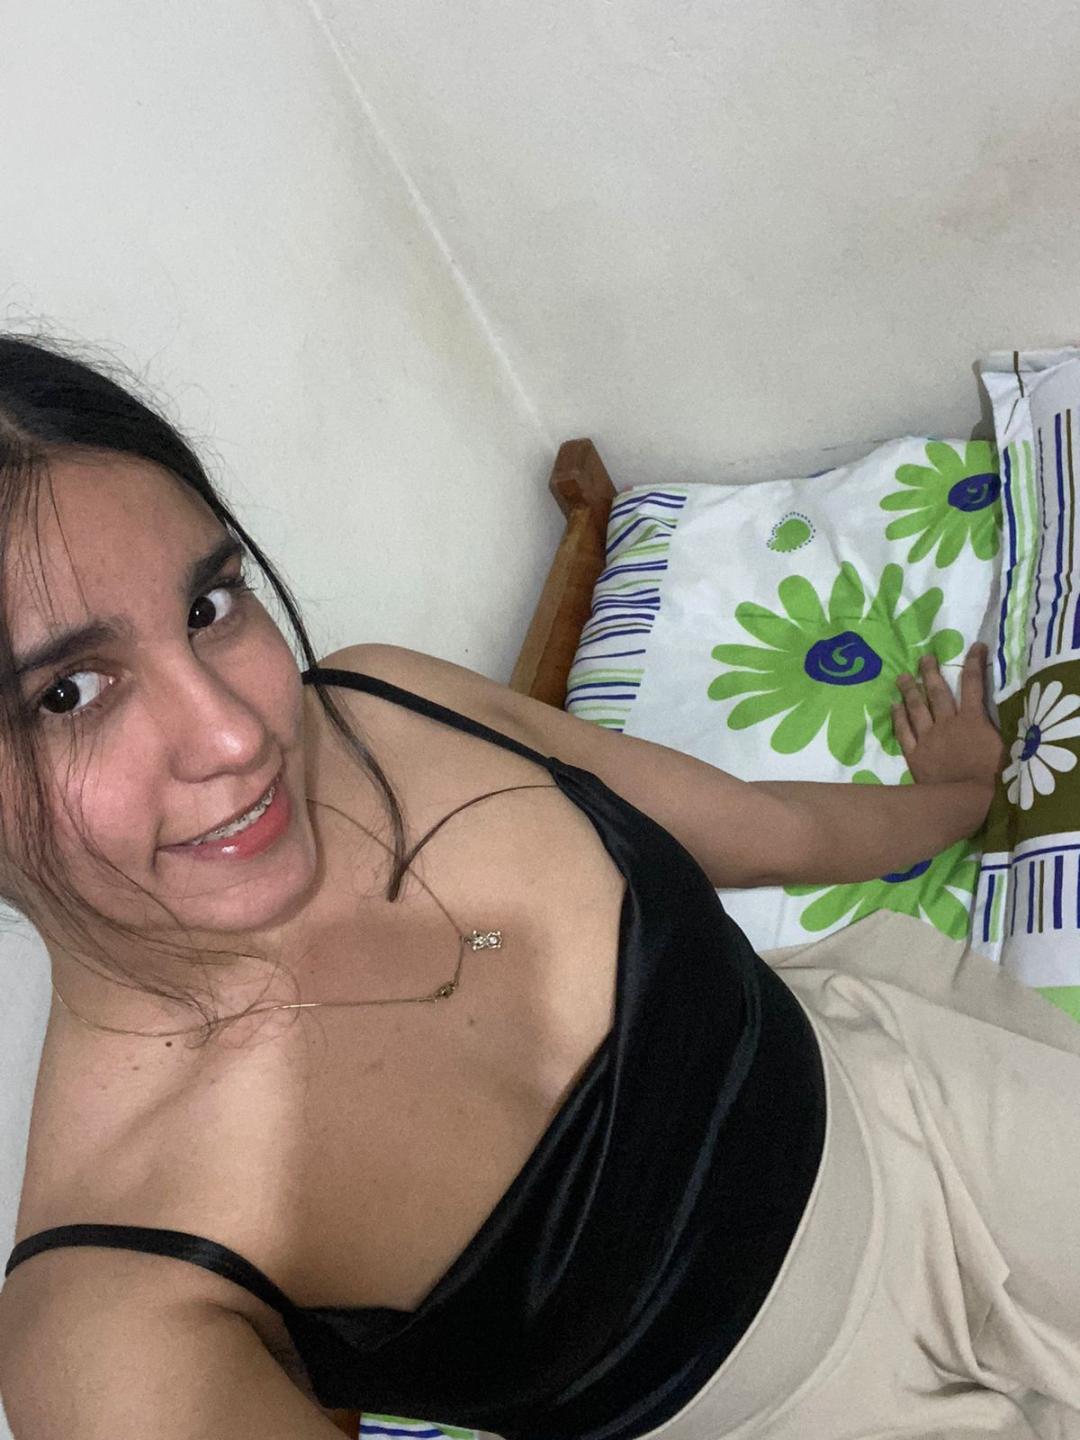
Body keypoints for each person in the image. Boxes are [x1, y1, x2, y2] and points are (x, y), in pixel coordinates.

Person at [0, 331, 1077, 1440]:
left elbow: (772, 831)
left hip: (922, 1106)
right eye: (66, 695)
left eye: (210, 607)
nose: (235, 734)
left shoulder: (386, 707)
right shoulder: (109, 1325)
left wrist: (961, 799)